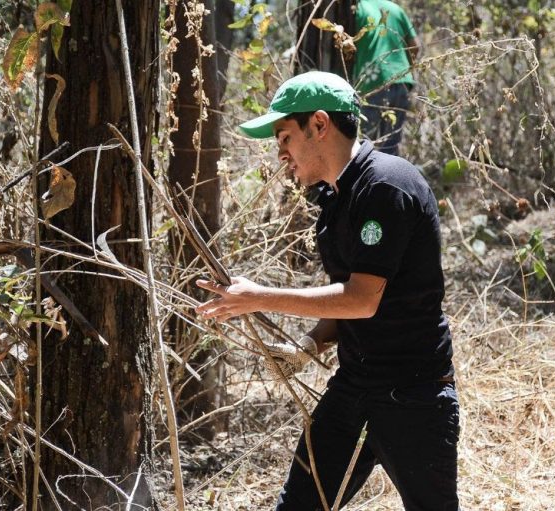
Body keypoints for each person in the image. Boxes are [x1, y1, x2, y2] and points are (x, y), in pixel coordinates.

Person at [196, 71, 458, 511]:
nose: (280, 154)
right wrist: (307, 345)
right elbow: (348, 303)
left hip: (413, 396)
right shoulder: (334, 200)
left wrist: (258, 296)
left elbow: (362, 298)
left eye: (284, 137)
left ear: (319, 125)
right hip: (354, 390)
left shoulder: (385, 187)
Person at [352, 0, 420, 156]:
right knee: (390, 147)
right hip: (401, 81)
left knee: (364, 146)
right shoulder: (396, 9)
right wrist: (404, 69)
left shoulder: (358, 8)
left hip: (372, 85)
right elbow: (415, 46)